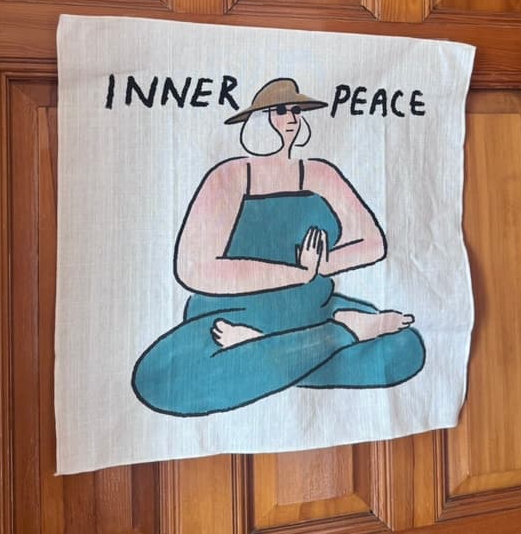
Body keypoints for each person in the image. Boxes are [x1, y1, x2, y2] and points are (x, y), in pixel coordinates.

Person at [132, 78, 425, 416]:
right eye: (281, 110)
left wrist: (322, 266)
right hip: (228, 314)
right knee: (160, 381)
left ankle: (263, 350)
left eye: (296, 110)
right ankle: (340, 333)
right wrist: (297, 273)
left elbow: (373, 243)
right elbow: (194, 269)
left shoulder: (318, 174)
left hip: (310, 308)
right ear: (258, 120)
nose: (292, 118)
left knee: (404, 348)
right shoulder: (231, 176)